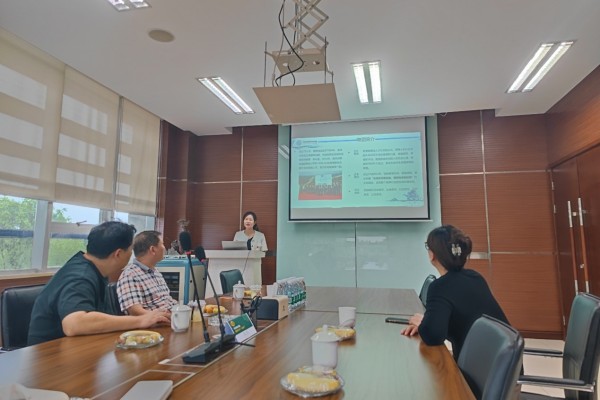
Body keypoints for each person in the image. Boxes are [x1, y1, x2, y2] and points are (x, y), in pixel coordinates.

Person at [28, 221, 170, 346]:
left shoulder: (95, 270)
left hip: (82, 347)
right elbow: (74, 324)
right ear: (118, 254)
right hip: (50, 356)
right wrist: (141, 320)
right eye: (130, 249)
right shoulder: (80, 276)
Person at [401, 225, 509, 360]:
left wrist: (424, 325)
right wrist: (428, 323)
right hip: (504, 363)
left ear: (432, 255)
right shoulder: (475, 277)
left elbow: (433, 337)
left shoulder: (440, 286)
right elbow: (456, 323)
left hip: (481, 367)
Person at [117, 230, 178, 315]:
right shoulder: (130, 275)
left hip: (174, 316)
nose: (164, 248)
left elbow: (167, 300)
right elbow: (135, 311)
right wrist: (159, 316)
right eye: (162, 244)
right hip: (157, 322)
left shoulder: (156, 272)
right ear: (152, 249)